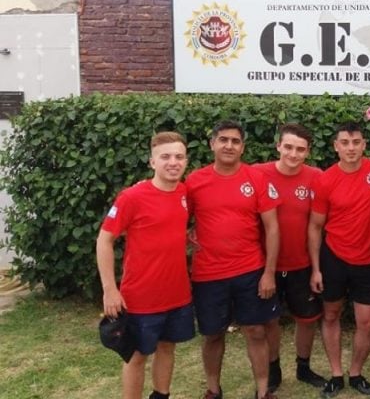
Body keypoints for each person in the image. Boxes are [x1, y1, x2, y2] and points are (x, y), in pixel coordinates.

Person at [186, 120, 281, 399]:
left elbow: (272, 227)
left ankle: (263, 392)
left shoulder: (256, 178)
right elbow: (177, 216)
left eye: (235, 141)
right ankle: (213, 390)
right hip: (208, 273)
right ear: (212, 143)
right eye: (223, 140)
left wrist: (269, 273)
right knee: (213, 334)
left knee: (255, 331)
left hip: (250, 270)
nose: (229, 145)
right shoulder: (194, 181)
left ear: (242, 147)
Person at [96, 131, 195, 399]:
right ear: (152, 162)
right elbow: (104, 241)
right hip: (140, 297)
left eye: (179, 156)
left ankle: (161, 395)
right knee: (136, 356)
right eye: (165, 157)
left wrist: (187, 238)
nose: (172, 162)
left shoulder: (184, 192)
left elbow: (165, 227)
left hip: (176, 294)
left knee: (167, 347)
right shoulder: (132, 197)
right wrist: (109, 289)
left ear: (186, 161)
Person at [308, 121, 370, 398]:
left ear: (364, 144)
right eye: (345, 143)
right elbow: (315, 226)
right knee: (330, 314)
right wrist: (316, 269)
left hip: (366, 259)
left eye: (356, 142)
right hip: (333, 258)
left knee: (367, 321)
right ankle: (337, 374)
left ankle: (356, 372)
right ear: (336, 146)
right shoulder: (325, 179)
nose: (351, 148)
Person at [253, 124, 327, 392]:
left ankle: (304, 367)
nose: (293, 154)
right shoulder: (257, 173)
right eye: (288, 147)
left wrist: (317, 268)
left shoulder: (317, 177)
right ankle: (274, 370)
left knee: (307, 319)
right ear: (278, 147)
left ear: (307, 152)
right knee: (269, 321)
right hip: (265, 266)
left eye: (300, 149)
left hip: (302, 264)